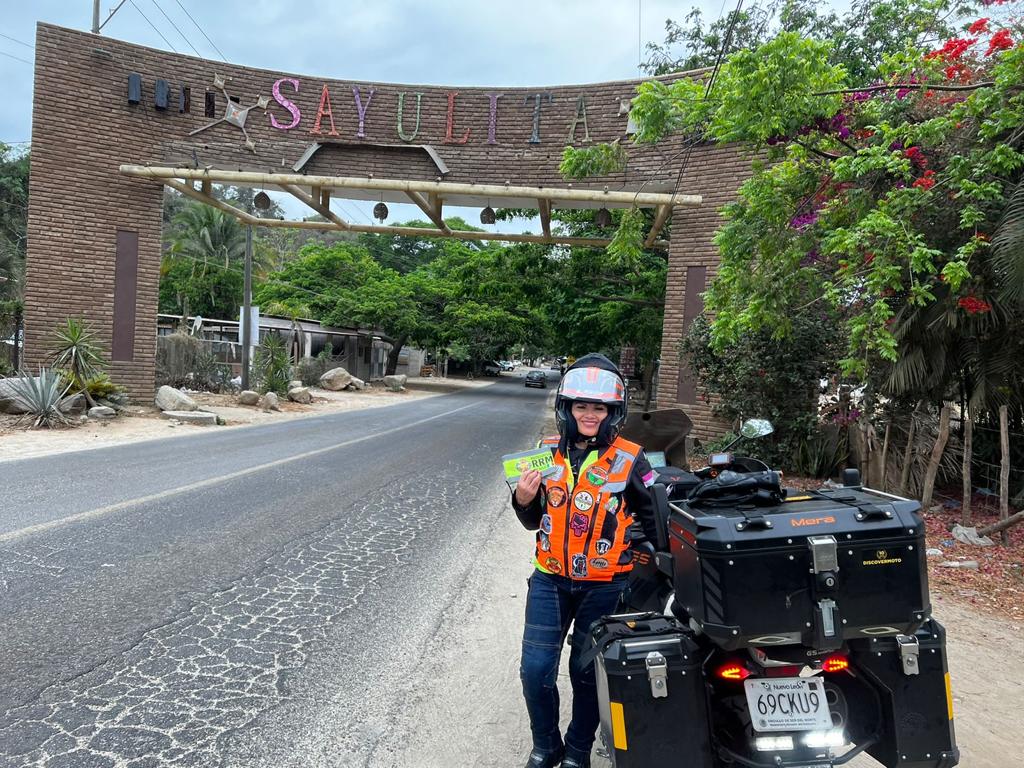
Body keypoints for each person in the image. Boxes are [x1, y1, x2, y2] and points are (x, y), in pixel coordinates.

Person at [512, 353, 657, 768]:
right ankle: (546, 747)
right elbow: (533, 519)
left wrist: (640, 546)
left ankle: (577, 752)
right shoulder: (546, 453)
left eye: (599, 407)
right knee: (535, 671)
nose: (590, 415)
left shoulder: (631, 458)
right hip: (550, 580)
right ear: (567, 409)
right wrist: (523, 499)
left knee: (586, 673)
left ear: (613, 412)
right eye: (582, 406)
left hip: (606, 586)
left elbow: (653, 520)